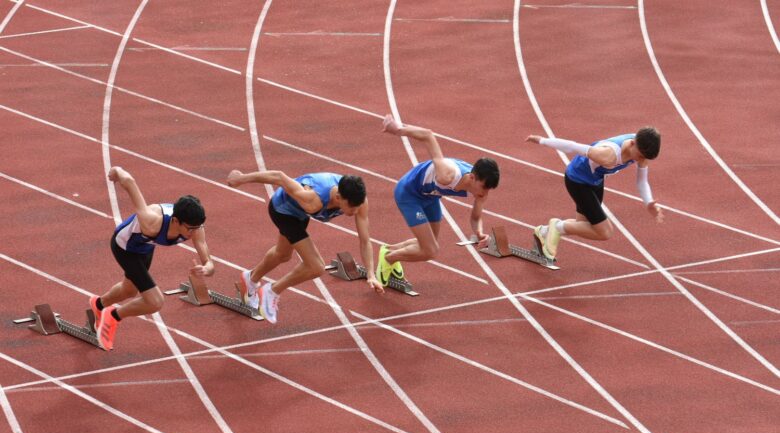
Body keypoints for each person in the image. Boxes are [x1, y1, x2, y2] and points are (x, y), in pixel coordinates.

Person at [226, 169, 383, 324]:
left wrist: (371, 274)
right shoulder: (314, 198)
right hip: (282, 210)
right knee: (316, 267)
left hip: (300, 214)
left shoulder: (359, 201)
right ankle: (272, 291)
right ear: (338, 197)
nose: (356, 211)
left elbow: (365, 240)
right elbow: (279, 176)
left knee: (282, 254)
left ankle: (250, 278)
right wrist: (241, 178)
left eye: (358, 206)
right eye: (352, 207)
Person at [90, 166, 213, 350]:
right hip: (125, 247)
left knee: (128, 291)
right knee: (155, 301)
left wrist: (206, 269)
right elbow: (129, 182)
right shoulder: (152, 221)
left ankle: (98, 304)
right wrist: (117, 171)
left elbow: (210, 263)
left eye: (197, 228)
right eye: (190, 228)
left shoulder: (195, 227)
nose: (193, 232)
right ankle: (113, 316)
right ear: (176, 221)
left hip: (146, 248)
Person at [377, 115, 500, 285]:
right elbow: (428, 136)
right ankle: (389, 259)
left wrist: (479, 233)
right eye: (484, 187)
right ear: (472, 178)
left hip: (431, 196)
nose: (485, 193)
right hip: (409, 193)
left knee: (429, 243)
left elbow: (476, 217)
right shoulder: (447, 174)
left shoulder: (482, 190)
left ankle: (388, 250)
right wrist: (398, 130)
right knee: (430, 251)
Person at [525, 129, 664, 260]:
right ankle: (556, 227)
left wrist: (648, 202)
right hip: (578, 181)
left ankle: (543, 232)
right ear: (633, 143)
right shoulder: (608, 154)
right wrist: (542, 140)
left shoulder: (643, 147)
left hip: (596, 180)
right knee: (605, 232)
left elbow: (641, 181)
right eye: (640, 156)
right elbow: (572, 146)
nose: (641, 160)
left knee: (583, 225)